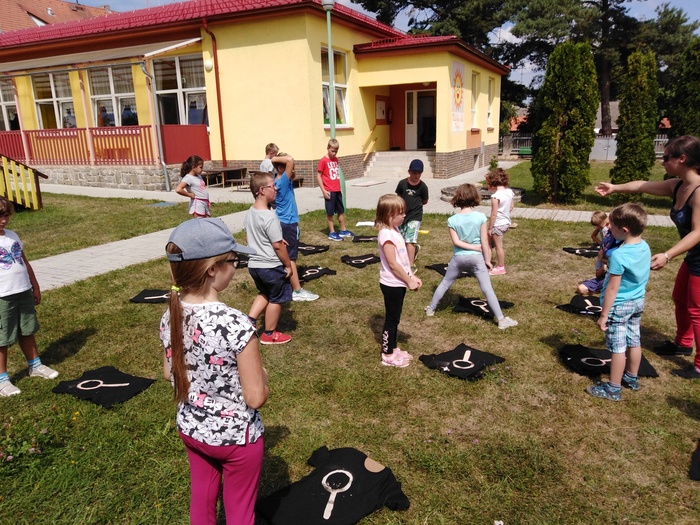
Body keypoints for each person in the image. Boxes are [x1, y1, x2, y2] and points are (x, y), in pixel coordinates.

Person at [160, 217, 267, 525]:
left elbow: (169, 373)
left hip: (191, 429)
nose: (236, 267)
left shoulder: (170, 314)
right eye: (235, 261)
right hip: (237, 440)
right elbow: (256, 397)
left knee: (202, 498)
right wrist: (264, 377)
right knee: (240, 512)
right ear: (212, 269)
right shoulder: (237, 324)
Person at [596, 135, 700, 378]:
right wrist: (615, 187)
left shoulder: (698, 192)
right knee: (680, 298)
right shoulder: (677, 185)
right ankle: (683, 343)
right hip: (694, 256)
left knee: (696, 309)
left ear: (682, 159)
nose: (662, 162)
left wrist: (668, 255)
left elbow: (698, 232)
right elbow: (642, 185)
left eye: (667, 157)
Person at [424, 184, 518, 329]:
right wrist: (487, 260)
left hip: (458, 259)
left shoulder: (452, 220)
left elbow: (456, 242)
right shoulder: (480, 217)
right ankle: (501, 320)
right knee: (487, 289)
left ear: (457, 198)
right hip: (477, 259)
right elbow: (484, 241)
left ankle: (431, 309)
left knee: (445, 283)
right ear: (475, 197)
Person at [585, 203, 651, 401]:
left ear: (624, 230)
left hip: (619, 306)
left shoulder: (619, 254)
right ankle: (631, 377)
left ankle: (613, 389)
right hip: (637, 302)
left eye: (612, 227)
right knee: (634, 341)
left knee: (618, 347)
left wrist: (604, 315)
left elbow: (612, 288)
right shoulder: (645, 247)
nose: (609, 231)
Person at [0, 197, 58, 397]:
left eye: (6, 215)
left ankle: (35, 365)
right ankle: (2, 380)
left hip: (22, 290)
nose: (4, 220)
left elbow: (24, 262)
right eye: (0, 216)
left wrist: (34, 285)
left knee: (27, 329)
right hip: (3, 296)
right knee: (2, 337)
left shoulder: (12, 236)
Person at [244, 172, 294, 344]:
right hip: (271, 266)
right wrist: (288, 265)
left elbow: (249, 237)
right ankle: (269, 333)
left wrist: (275, 239)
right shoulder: (270, 216)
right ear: (262, 190)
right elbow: (278, 246)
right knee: (277, 298)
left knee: (265, 292)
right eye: (273, 186)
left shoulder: (251, 212)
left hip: (255, 265)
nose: (276, 189)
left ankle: (249, 322)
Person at [375, 194, 422, 367]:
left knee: (395, 319)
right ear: (389, 215)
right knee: (391, 320)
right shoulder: (386, 235)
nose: (404, 215)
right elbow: (393, 264)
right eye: (400, 213)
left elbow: (402, 260)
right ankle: (387, 354)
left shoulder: (394, 230)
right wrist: (408, 281)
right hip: (391, 284)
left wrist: (412, 276)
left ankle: (393, 348)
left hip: (398, 282)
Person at [271, 153, 319, 302]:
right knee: (291, 258)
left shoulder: (277, 182)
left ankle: (284, 284)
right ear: (281, 168)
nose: (293, 169)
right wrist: (274, 159)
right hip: (288, 224)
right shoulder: (283, 181)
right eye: (290, 168)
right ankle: (297, 291)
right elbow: (290, 160)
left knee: (284, 256)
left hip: (283, 222)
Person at [316, 139, 353, 241]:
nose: (334, 153)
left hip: (337, 190)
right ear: (328, 148)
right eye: (332, 151)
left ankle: (343, 230)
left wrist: (339, 188)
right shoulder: (323, 161)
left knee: (341, 210)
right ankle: (332, 232)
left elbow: (336, 175)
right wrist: (323, 190)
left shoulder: (336, 160)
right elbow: (318, 176)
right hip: (329, 190)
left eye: (336, 151)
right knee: (330, 212)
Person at [395, 159, 429, 268]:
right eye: (414, 173)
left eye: (419, 173)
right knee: (401, 239)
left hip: (415, 216)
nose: (416, 175)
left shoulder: (423, 187)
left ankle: (410, 264)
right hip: (402, 215)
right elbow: (398, 197)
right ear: (409, 172)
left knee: (410, 240)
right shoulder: (402, 184)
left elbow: (425, 201)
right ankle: (401, 258)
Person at [485, 168, 514, 276]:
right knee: (488, 242)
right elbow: (511, 206)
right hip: (506, 223)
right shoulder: (509, 192)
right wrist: (505, 212)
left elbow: (493, 214)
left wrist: (490, 228)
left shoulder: (495, 196)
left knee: (498, 247)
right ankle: (487, 263)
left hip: (497, 224)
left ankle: (501, 268)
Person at [575, 228, 621, 296]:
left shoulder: (619, 251)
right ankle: (598, 289)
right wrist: (603, 267)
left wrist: (605, 261)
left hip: (615, 279)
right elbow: (598, 274)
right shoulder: (602, 252)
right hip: (603, 279)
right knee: (581, 289)